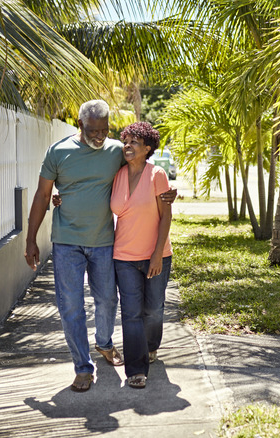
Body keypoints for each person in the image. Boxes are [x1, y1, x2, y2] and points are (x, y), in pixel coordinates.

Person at [24, 100, 176, 392]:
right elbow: (43, 196)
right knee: (71, 306)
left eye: (105, 131)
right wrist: (31, 239)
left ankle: (104, 342)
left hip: (105, 242)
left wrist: (169, 193)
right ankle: (83, 368)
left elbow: (144, 167)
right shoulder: (58, 152)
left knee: (107, 300)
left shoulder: (115, 152)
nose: (99, 137)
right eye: (93, 131)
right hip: (66, 241)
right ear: (80, 125)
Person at [111, 122, 173, 389]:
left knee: (154, 310)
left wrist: (157, 255)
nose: (127, 146)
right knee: (131, 313)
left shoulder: (157, 174)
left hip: (155, 255)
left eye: (134, 142)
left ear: (147, 149)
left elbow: (166, 215)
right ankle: (136, 368)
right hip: (123, 256)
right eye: (126, 141)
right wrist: (61, 199)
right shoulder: (117, 175)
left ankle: (150, 345)